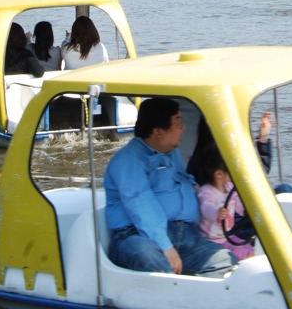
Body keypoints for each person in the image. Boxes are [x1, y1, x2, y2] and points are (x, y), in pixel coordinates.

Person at [104, 97, 235, 275]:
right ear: (158, 131)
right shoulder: (128, 160)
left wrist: (197, 189)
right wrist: (165, 247)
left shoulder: (170, 152)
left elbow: (183, 178)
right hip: (137, 236)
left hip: (186, 237)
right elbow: (141, 204)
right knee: (147, 256)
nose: (184, 128)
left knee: (227, 262)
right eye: (178, 122)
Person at [196, 149, 253, 261]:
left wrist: (247, 211)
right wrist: (216, 213)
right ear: (219, 174)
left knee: (247, 246)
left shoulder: (229, 187)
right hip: (212, 240)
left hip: (228, 236)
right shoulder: (206, 191)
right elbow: (206, 208)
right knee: (239, 253)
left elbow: (238, 204)